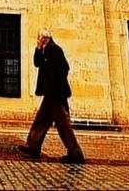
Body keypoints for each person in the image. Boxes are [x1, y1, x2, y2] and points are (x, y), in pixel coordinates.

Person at [17, 27, 85, 164]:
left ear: (45, 38)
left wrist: (55, 85)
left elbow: (64, 67)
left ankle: (75, 153)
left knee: (62, 123)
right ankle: (33, 146)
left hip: (55, 93)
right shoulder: (45, 50)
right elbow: (37, 63)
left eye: (40, 38)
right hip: (50, 93)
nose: (39, 40)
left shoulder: (54, 49)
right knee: (41, 120)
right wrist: (38, 48)